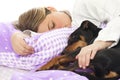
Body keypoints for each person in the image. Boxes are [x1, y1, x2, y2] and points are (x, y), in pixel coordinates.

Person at [12, 0, 120, 69]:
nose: (60, 29)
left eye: (52, 25)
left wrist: (99, 44)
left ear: (51, 9)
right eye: (53, 32)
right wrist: (17, 35)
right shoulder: (74, 29)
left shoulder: (83, 4)